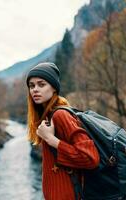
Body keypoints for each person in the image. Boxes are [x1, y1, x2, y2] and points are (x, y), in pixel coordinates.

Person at [25, 62, 100, 200]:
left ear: (54, 88)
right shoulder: (46, 116)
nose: (35, 89)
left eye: (41, 84)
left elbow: (90, 158)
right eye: (32, 85)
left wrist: (51, 140)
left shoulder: (60, 115)